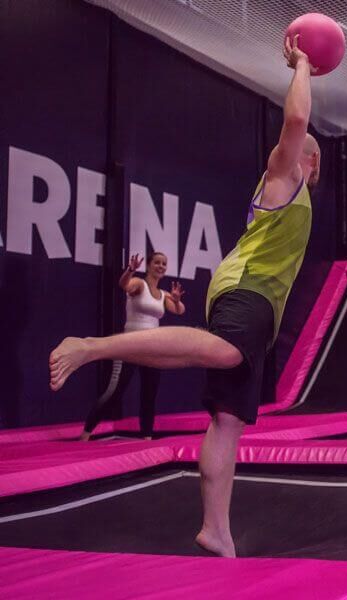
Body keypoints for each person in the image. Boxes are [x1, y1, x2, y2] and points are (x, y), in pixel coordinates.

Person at [49, 34, 321, 557]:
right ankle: (92, 347)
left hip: (255, 300)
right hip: (246, 288)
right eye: (316, 158)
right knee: (227, 351)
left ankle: (216, 530)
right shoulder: (286, 175)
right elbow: (295, 119)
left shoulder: (293, 190)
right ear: (309, 160)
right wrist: (304, 65)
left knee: (228, 421)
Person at [80, 252, 185, 441]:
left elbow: (180, 310)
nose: (161, 266)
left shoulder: (163, 295)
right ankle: (86, 433)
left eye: (164, 264)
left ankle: (147, 437)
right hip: (130, 346)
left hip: (153, 350)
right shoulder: (139, 284)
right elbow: (124, 285)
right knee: (115, 392)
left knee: (149, 395)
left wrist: (176, 300)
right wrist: (130, 270)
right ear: (149, 265)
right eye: (157, 262)